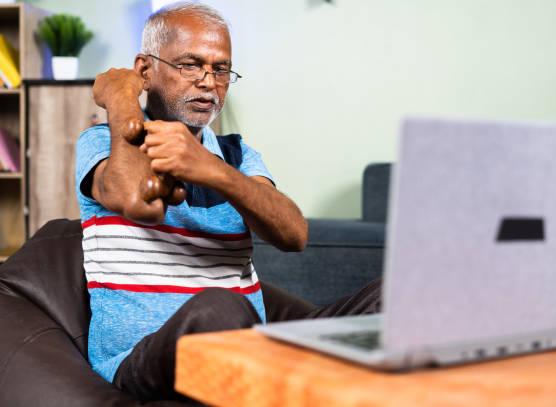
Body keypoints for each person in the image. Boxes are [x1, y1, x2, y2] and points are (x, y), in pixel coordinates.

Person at [75, 2, 381, 402]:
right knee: (219, 309)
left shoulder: (238, 157)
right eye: (190, 64)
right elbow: (137, 200)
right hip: (142, 358)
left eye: (221, 69)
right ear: (145, 70)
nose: (209, 82)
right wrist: (120, 97)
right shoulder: (101, 143)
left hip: (250, 346)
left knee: (396, 294)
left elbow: (294, 235)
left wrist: (208, 167)